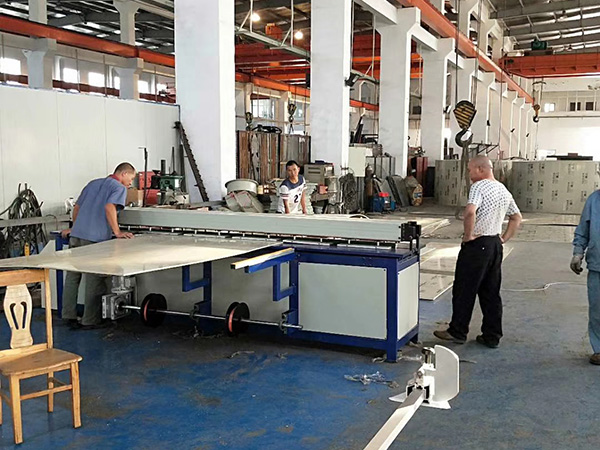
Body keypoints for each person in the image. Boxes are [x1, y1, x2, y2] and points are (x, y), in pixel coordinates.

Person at [434, 155, 522, 348]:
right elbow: (517, 217)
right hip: (494, 246)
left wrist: (468, 235)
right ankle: (492, 335)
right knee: (491, 292)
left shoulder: (478, 187)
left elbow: (470, 211)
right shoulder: (503, 189)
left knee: (464, 289)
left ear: (480, 169)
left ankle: (458, 331)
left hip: (478, 246)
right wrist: (503, 239)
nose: (469, 174)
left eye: (470, 170)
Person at [61, 163, 136, 329]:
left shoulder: (93, 183)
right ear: (123, 174)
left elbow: (77, 207)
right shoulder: (119, 188)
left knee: (73, 276)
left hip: (77, 236)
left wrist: (75, 227)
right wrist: (117, 232)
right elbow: (109, 207)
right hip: (95, 239)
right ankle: (90, 320)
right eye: (130, 179)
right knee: (94, 279)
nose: (130, 183)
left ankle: (68, 315)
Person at [571, 191, 600, 365]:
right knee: (597, 311)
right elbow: (583, 229)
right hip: (597, 264)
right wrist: (578, 253)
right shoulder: (594, 200)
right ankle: (599, 349)